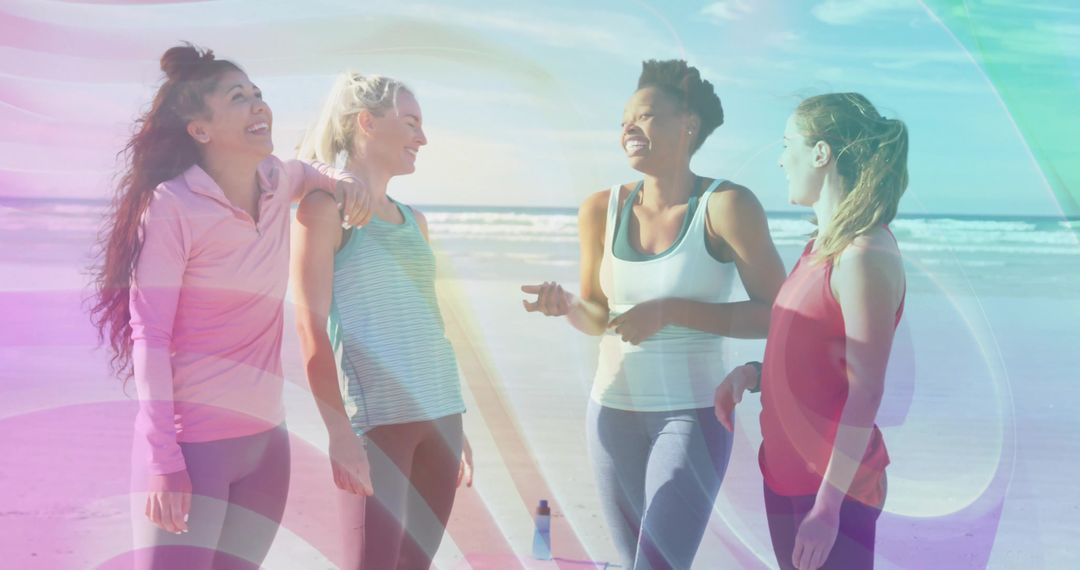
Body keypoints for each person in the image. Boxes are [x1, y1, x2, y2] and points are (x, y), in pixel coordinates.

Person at [89, 44, 369, 569]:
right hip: (193, 448)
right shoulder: (174, 205)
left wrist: (341, 180)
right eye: (239, 98)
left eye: (258, 94)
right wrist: (163, 460)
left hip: (268, 444)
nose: (259, 106)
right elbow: (150, 335)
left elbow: (306, 171)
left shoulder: (275, 181)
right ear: (201, 129)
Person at [521, 59, 786, 569]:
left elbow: (777, 315)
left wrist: (671, 311)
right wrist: (569, 306)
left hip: (691, 413)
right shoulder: (600, 208)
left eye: (644, 115)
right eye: (623, 119)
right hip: (611, 411)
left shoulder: (727, 205)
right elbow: (599, 317)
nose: (627, 128)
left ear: (687, 122)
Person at [715, 92, 908, 570]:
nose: (781, 160)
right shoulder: (820, 248)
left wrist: (827, 509)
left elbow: (866, 391)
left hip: (833, 494)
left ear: (820, 153)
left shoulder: (863, 255)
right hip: (785, 478)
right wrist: (753, 373)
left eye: (788, 145)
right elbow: (814, 357)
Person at [292, 71, 473, 570]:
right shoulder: (323, 211)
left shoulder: (415, 221)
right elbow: (310, 328)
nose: (423, 138)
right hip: (376, 426)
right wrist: (338, 432)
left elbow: (428, 323)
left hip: (442, 421)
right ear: (367, 123)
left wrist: (454, 416)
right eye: (411, 123)